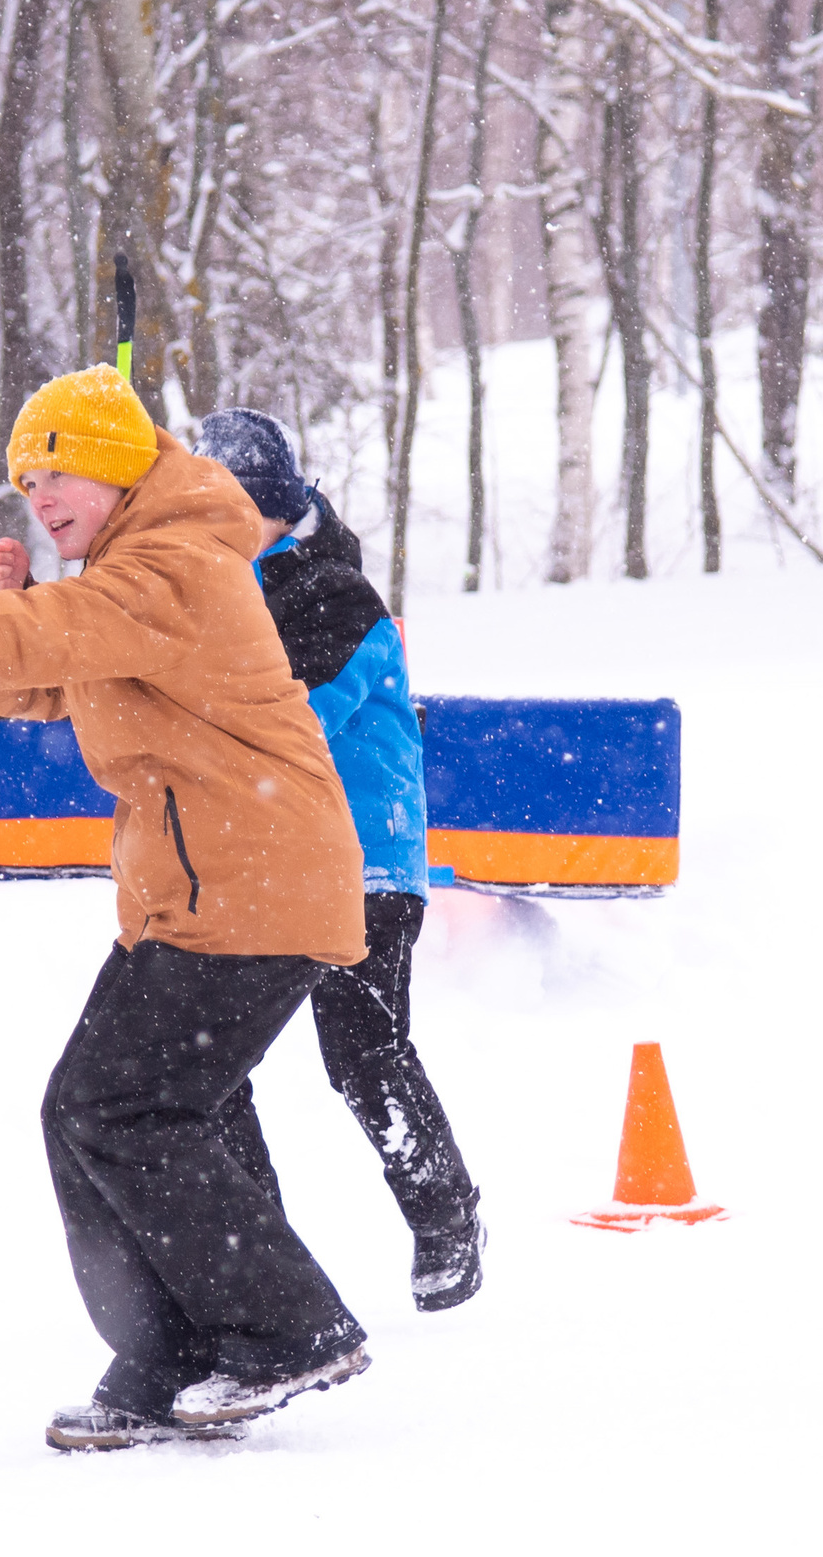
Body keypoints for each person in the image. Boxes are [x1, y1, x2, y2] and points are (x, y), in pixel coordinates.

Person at [0, 364, 372, 1452]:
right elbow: (48, 671)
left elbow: (26, 643)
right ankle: (167, 1360)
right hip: (207, 886)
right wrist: (16, 608)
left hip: (253, 880)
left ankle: (287, 1332)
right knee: (109, 1110)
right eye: (26, 483)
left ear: (120, 466)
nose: (37, 499)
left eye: (57, 475)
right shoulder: (141, 569)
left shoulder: (173, 563)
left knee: (119, 1109)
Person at [189, 407, 484, 1310]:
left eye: (235, 510)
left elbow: (293, 721)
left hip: (367, 860)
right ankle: (259, 1255)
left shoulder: (332, 595)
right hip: (263, 861)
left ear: (279, 507)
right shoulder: (216, 590)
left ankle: (446, 1216)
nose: (217, 529)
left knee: (362, 1053)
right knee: (205, 1064)